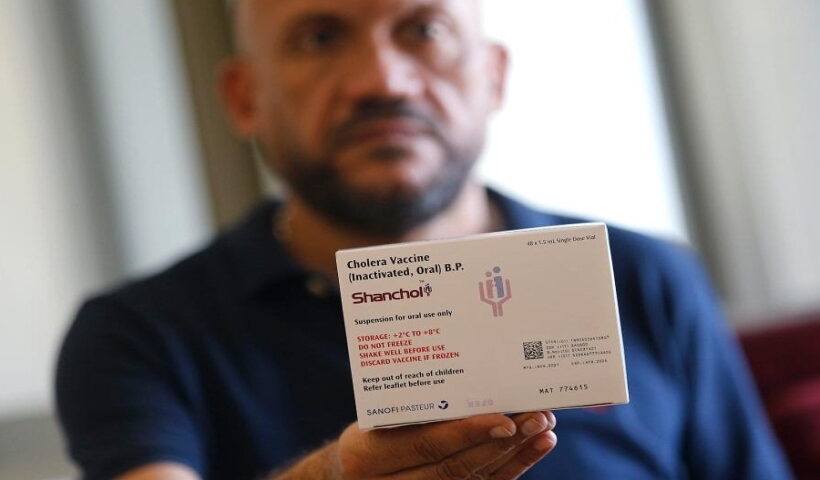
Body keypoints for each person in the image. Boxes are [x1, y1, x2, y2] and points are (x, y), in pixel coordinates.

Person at [55, 0, 792, 479]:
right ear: (245, 97)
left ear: (494, 76)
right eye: (319, 36)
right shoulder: (138, 333)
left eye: (424, 29)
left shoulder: (647, 275)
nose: (384, 80)